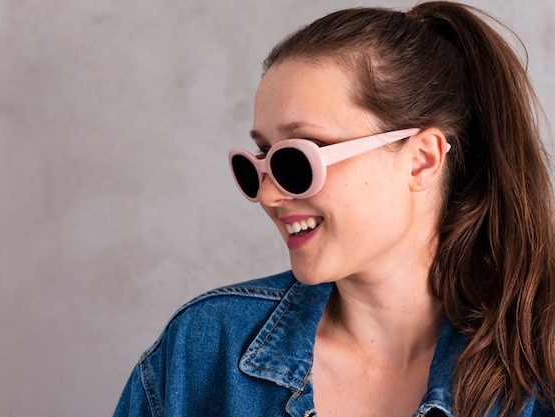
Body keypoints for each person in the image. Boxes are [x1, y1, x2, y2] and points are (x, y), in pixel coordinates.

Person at [113, 2, 555, 416]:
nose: (268, 196)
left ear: (422, 159)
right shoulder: (205, 349)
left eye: (297, 160)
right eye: (258, 162)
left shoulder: (542, 365)